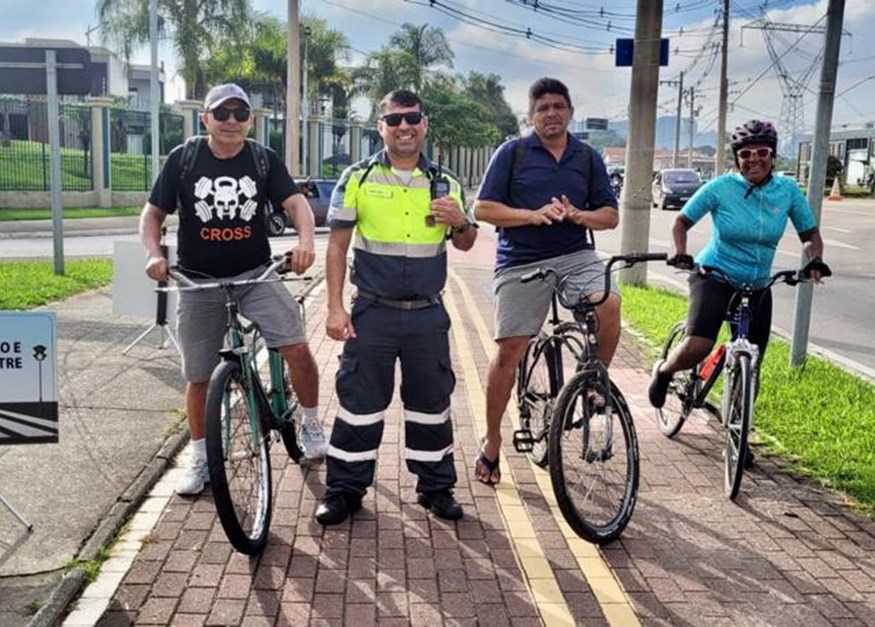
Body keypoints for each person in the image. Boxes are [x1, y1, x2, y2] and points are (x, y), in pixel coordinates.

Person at [141, 83, 327, 496]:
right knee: (198, 375)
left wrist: (306, 242)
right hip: (196, 280)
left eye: (239, 113)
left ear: (250, 120)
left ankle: (312, 423)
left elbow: (295, 205)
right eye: (221, 113)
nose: (230, 121)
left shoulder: (263, 159)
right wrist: (154, 255)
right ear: (204, 118)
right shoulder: (184, 159)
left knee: (296, 346)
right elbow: (153, 213)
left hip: (255, 274)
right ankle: (201, 456)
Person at [314, 89, 477, 526]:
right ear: (381, 127)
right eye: (395, 120)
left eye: (413, 119)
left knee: (431, 402)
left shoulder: (448, 183)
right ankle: (344, 490)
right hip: (373, 313)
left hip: (427, 314)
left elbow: (467, 241)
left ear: (425, 124)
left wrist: (459, 221)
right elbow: (337, 247)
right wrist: (334, 308)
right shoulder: (358, 178)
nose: (404, 127)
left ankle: (436, 487)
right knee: (358, 404)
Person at [473, 77, 619, 485]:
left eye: (558, 105)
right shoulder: (513, 153)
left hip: (575, 255)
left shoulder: (587, 157)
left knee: (608, 303)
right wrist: (531, 215)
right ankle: (492, 440)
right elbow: (482, 208)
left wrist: (578, 216)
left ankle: (594, 380)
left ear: (570, 111)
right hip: (520, 260)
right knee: (511, 350)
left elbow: (610, 216)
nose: (551, 113)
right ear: (531, 115)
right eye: (543, 108)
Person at [647, 119, 826, 409]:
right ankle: (665, 371)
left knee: (752, 364)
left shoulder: (788, 190)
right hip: (714, 274)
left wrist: (815, 259)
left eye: (762, 153)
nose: (754, 159)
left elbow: (810, 235)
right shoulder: (721, 187)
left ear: (772, 156)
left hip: (758, 283)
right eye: (745, 154)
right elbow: (681, 222)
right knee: (699, 346)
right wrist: (680, 252)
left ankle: (739, 437)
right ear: (737, 159)